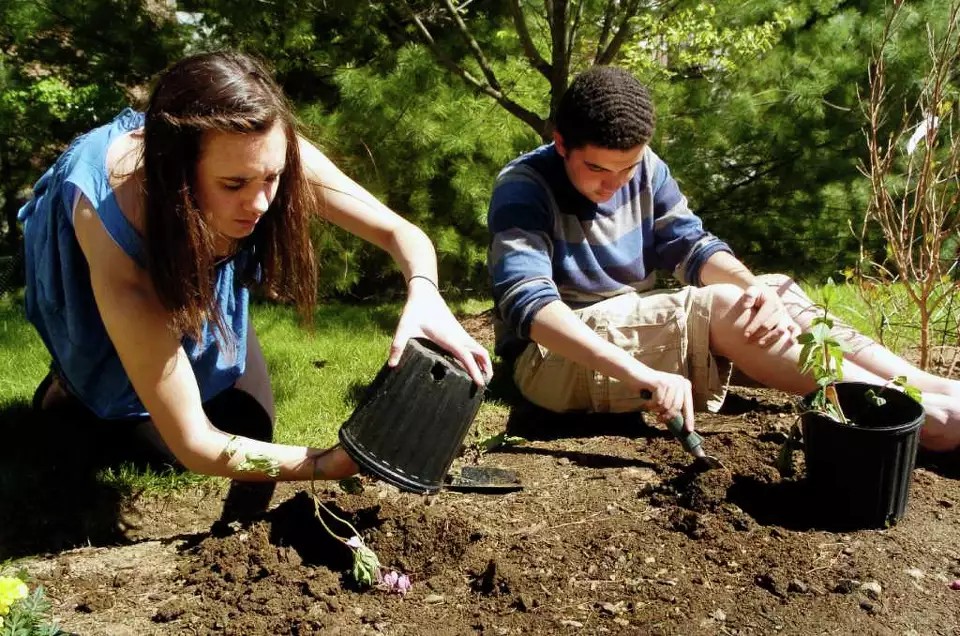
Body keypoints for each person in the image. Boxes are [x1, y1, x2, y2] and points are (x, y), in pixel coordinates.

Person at [18, 51, 493, 495]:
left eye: (272, 178)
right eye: (234, 184)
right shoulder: (111, 227)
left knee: (249, 429)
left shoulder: (261, 145)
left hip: (189, 227)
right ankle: (67, 390)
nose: (262, 203)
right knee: (118, 409)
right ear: (177, 175)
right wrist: (326, 464)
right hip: (109, 249)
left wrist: (425, 293)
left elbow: (400, 233)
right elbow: (196, 445)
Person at [487, 65, 960, 452]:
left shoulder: (646, 167)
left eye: (626, 168)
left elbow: (691, 247)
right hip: (550, 359)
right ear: (561, 143)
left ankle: (928, 388)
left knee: (771, 291)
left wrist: (753, 288)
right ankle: (917, 417)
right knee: (725, 305)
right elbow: (530, 307)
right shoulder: (524, 187)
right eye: (596, 169)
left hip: (631, 326)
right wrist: (640, 376)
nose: (613, 184)